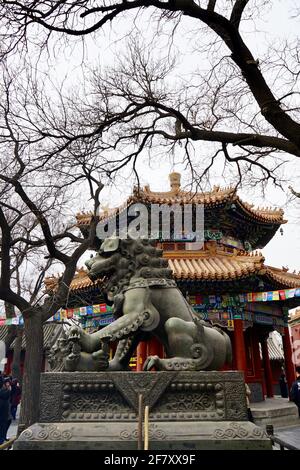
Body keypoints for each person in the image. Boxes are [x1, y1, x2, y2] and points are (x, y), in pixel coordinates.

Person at [0, 376, 11, 445]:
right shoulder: (3, 392)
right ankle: (2, 439)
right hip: (3, 413)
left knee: (5, 424)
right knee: (3, 426)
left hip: (4, 413)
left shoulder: (3, 391)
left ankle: (2, 438)